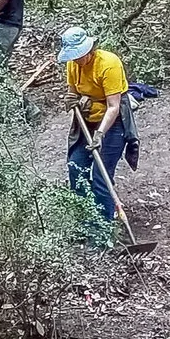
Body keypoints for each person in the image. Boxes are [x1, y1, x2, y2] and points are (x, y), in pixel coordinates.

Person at [60, 27, 132, 238]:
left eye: (79, 56)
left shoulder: (108, 64)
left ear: (89, 50)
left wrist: (100, 134)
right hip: (86, 122)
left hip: (113, 124)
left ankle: (103, 229)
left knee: (101, 176)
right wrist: (70, 100)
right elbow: (73, 92)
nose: (76, 60)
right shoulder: (72, 65)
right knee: (76, 167)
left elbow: (113, 106)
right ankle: (86, 221)